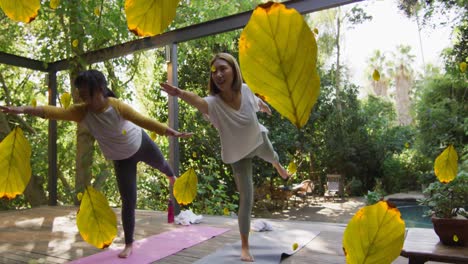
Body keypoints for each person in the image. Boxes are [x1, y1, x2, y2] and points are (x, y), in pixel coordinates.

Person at [0, 69, 193, 258]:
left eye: (88, 95)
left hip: (140, 143)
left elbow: (143, 120)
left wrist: (170, 132)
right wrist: (24, 109)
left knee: (162, 164)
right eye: (82, 95)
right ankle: (129, 243)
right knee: (129, 201)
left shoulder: (116, 105)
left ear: (101, 89)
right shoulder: (81, 112)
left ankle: (171, 176)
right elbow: (52, 112)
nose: (85, 100)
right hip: (121, 158)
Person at [160, 53, 289, 262]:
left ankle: (278, 166)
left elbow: (255, 101)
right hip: (238, 155)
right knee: (246, 198)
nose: (218, 74)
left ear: (234, 70)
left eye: (223, 68)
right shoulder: (212, 103)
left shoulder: (245, 90)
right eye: (214, 71)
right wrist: (179, 93)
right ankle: (245, 247)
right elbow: (198, 101)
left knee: (272, 155)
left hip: (258, 141)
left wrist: (263, 106)